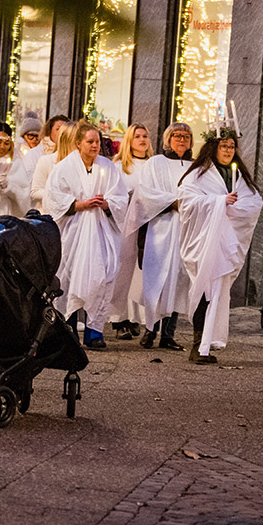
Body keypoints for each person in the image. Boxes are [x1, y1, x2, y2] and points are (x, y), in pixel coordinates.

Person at [178, 127, 262, 364]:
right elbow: (187, 201)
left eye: (232, 146)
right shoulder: (199, 174)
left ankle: (207, 344)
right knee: (204, 291)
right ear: (213, 147)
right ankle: (198, 345)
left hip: (227, 244)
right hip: (205, 242)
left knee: (217, 293)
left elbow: (254, 202)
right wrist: (219, 202)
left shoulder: (239, 177)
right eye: (224, 146)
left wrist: (232, 208)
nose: (228, 150)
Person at [44, 120, 129, 349]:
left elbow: (121, 198)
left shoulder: (108, 167)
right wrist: (80, 204)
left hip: (101, 232)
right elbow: (53, 198)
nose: (94, 146)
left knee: (102, 279)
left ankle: (94, 331)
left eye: (97, 141)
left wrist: (107, 203)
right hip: (74, 231)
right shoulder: (64, 168)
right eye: (90, 141)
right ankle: (67, 330)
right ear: (78, 143)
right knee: (70, 277)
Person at [131, 123, 194, 351]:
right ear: (168, 139)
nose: (181, 139)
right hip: (160, 229)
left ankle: (168, 334)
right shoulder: (155, 163)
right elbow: (145, 193)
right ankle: (150, 329)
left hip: (185, 231)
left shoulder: (196, 167)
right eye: (176, 135)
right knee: (156, 280)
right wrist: (172, 202)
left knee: (178, 281)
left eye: (186, 136)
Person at [109, 123, 153, 340]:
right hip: (126, 222)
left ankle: (137, 318)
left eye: (145, 136)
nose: (142, 140)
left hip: (149, 223)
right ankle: (119, 318)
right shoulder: (119, 166)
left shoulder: (155, 164)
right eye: (137, 136)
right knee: (124, 270)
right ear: (129, 140)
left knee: (142, 272)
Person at [26, 114, 68, 209]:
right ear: (50, 131)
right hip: (41, 208)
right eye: (58, 129)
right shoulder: (35, 153)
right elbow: (29, 184)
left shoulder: (71, 155)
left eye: (65, 129)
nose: (62, 132)